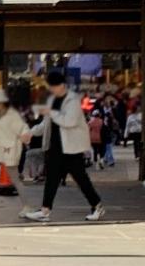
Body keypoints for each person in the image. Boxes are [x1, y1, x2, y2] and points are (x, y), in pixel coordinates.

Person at [25, 69, 102, 222]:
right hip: (55, 146)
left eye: (52, 86)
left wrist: (52, 113)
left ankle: (97, 205)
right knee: (51, 179)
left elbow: (69, 121)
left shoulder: (72, 101)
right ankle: (45, 210)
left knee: (81, 179)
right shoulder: (52, 100)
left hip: (71, 148)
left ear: (60, 85)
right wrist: (31, 133)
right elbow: (45, 124)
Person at [0, 89, 29, 198]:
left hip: (9, 151)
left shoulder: (12, 115)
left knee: (15, 179)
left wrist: (25, 135)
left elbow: (23, 128)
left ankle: (26, 204)